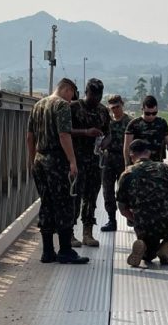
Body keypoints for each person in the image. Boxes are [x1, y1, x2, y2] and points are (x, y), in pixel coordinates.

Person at [26, 78, 89, 264]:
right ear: (67, 89)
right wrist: (72, 161)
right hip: (57, 162)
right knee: (65, 204)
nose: (71, 100)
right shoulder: (61, 106)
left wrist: (32, 161)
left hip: (40, 160)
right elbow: (64, 134)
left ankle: (47, 252)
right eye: (72, 95)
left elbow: (29, 137)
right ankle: (65, 250)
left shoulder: (37, 105)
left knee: (46, 203)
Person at [117, 139, 168, 267]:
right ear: (149, 153)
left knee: (149, 256)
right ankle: (165, 248)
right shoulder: (164, 168)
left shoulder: (126, 174)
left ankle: (144, 246)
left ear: (131, 155)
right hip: (166, 220)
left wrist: (136, 219)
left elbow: (122, 209)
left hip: (143, 224)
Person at [70, 78, 111, 247]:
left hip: (95, 161)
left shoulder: (103, 111)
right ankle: (70, 232)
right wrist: (86, 132)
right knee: (74, 197)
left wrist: (104, 143)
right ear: (86, 92)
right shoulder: (74, 108)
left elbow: (109, 133)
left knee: (91, 197)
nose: (96, 99)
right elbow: (65, 131)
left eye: (99, 96)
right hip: (77, 159)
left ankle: (88, 232)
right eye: (93, 95)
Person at [100, 95, 132, 232]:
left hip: (124, 159)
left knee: (126, 190)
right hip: (109, 159)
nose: (115, 110)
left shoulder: (129, 122)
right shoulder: (106, 122)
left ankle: (130, 217)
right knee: (108, 191)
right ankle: (111, 220)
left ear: (122, 105)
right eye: (112, 108)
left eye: (117, 107)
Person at [124, 95, 168, 166]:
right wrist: (127, 165)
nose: (151, 116)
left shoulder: (162, 123)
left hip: (157, 165)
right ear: (142, 109)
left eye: (154, 113)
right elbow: (127, 147)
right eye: (148, 113)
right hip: (139, 167)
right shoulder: (134, 124)